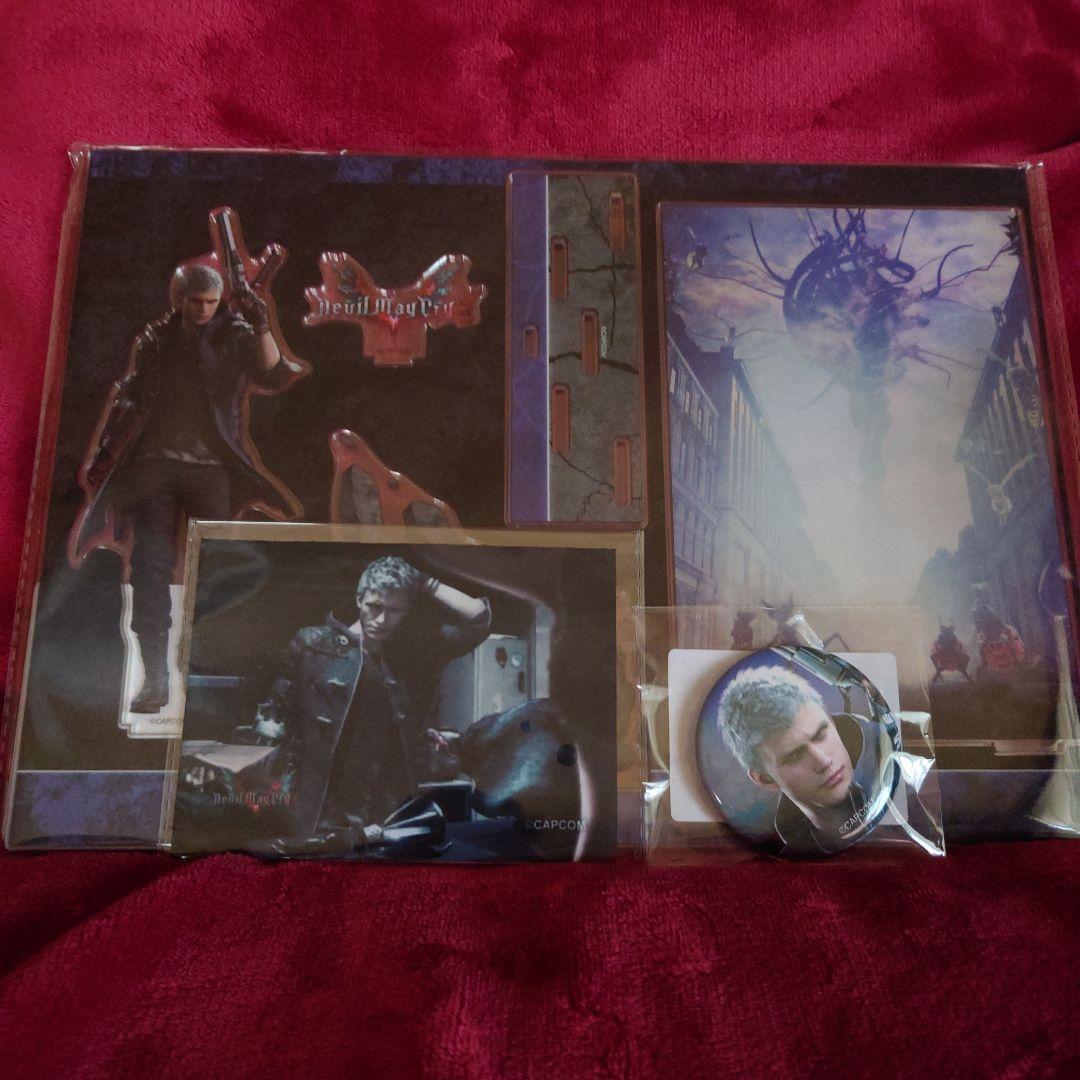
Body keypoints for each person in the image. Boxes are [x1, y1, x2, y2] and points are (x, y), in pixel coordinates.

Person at [72, 264, 303, 712]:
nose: (202, 309)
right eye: (195, 301)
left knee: (217, 563)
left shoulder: (233, 334)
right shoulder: (157, 338)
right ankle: (156, 679)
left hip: (210, 468)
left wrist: (261, 323)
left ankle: (207, 667)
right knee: (149, 568)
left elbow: (272, 372)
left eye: (210, 302)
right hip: (155, 466)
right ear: (179, 299)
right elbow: (130, 396)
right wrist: (105, 453)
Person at [251, 556, 491, 852]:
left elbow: (477, 618)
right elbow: (273, 718)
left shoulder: (414, 653)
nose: (381, 619)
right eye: (374, 606)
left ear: (408, 610)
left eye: (394, 610)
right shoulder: (313, 643)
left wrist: (425, 582)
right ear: (359, 600)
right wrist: (269, 792)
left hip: (385, 804)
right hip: (317, 801)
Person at [717, 664, 874, 854]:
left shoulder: (888, 759)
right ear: (766, 779)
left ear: (833, 723)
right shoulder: (778, 860)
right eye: (794, 755)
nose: (823, 762)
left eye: (820, 735)